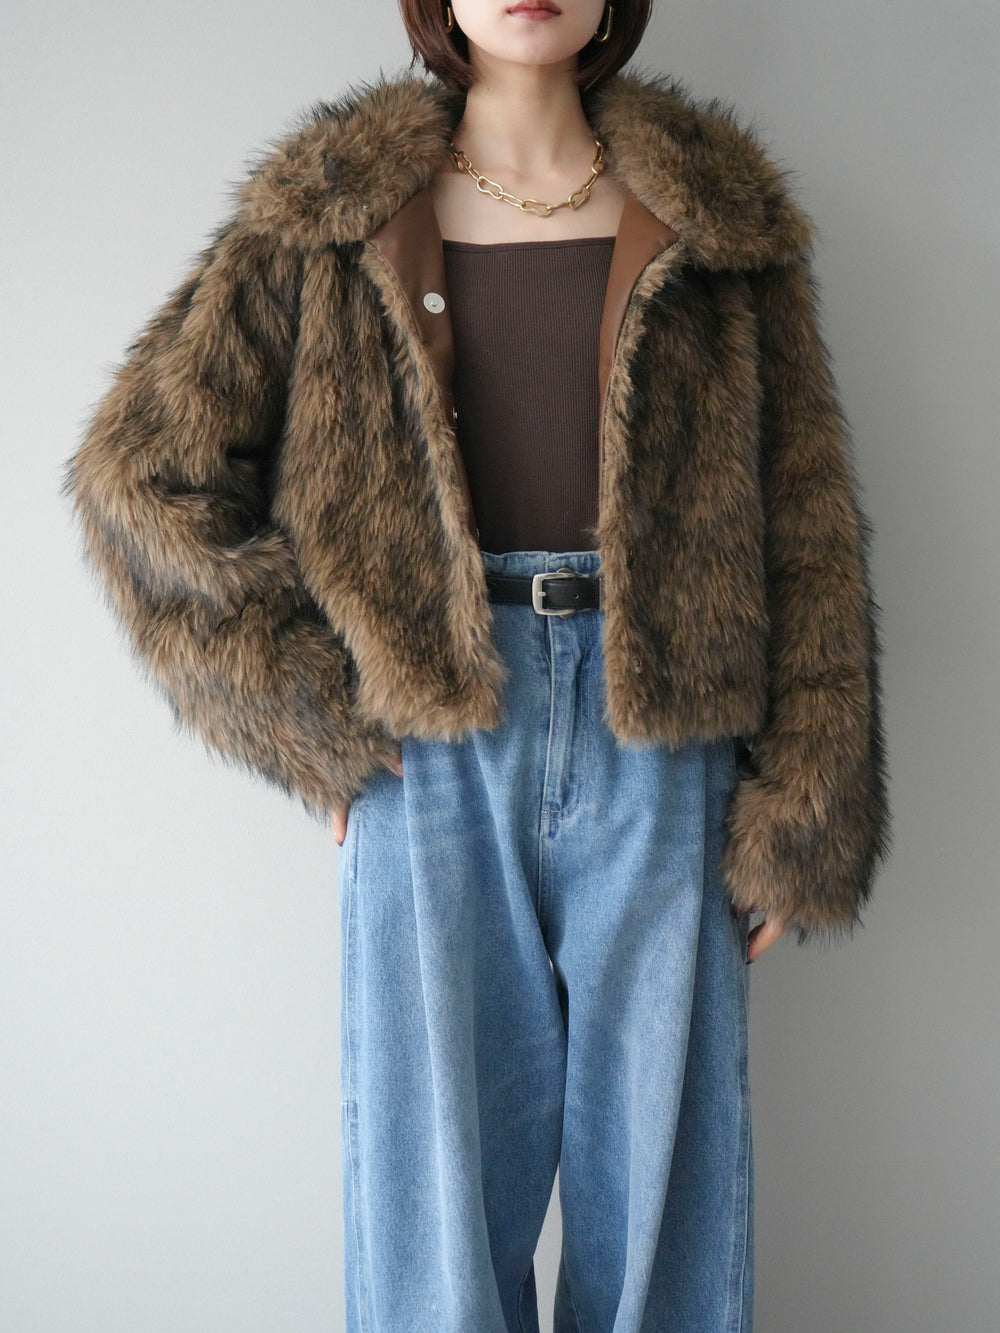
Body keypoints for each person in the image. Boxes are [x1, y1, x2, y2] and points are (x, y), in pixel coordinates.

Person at [61, 0, 892, 1327]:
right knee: (434, 1218)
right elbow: (141, 475)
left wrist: (807, 799)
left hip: (663, 729)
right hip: (433, 743)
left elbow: (804, 519)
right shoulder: (330, 215)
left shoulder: (718, 223)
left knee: (667, 1210)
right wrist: (310, 716)